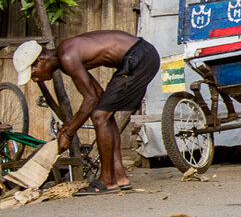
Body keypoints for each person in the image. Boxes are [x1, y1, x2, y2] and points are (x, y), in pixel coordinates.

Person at [13, 31, 159, 195]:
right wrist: (68, 129)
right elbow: (97, 95)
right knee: (104, 113)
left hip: (140, 57)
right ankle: (119, 177)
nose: (35, 79)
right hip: (141, 55)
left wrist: (68, 132)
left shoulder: (67, 56)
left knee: (99, 116)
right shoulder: (65, 58)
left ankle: (106, 180)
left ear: (41, 60)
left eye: (33, 74)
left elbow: (90, 100)